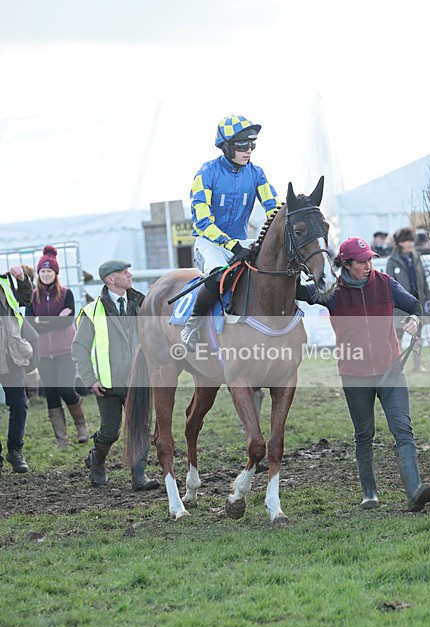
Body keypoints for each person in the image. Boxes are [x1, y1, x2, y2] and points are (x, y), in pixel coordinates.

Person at [298, 237, 430, 512]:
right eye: (362, 261)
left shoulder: (386, 283)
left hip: (391, 371)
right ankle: (370, 494)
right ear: (346, 264)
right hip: (355, 375)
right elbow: (296, 291)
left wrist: (414, 321)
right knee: (364, 434)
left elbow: (416, 306)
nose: (368, 265)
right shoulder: (331, 291)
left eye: (370, 259)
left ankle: (414, 492)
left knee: (403, 431)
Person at [181, 114, 281, 350]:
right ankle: (192, 326)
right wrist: (232, 246)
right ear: (226, 146)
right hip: (210, 243)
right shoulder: (205, 173)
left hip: (241, 242)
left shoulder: (257, 173)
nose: (249, 151)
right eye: (242, 146)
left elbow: (272, 208)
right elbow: (202, 222)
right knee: (217, 277)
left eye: (252, 145)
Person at [71, 260, 160, 491]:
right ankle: (96, 461)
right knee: (110, 432)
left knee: (139, 428)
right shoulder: (92, 312)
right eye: (123, 272)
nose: (129, 274)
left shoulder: (144, 304)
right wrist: (90, 379)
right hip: (107, 384)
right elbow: (79, 349)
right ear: (110, 279)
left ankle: (139, 477)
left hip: (139, 380)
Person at [25, 245, 89, 448]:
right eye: (42, 271)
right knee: (51, 394)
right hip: (43, 353)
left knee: (66, 389)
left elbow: (66, 322)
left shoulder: (66, 294)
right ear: (38, 273)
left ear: (55, 273)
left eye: (49, 271)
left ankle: (82, 426)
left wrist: (42, 321)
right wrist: (54, 319)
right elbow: (29, 322)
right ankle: (61, 438)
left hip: (64, 351)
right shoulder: (32, 297)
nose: (45, 274)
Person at [0, 265, 33, 473]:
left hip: (11, 354)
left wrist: (22, 279)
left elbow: (26, 299)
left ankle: (15, 450)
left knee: (19, 404)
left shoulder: (5, 282)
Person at [386, 227, 430, 371]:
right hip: (399, 306)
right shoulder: (392, 261)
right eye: (406, 240)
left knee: (417, 336)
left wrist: (427, 298)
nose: (410, 243)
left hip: (416, 303)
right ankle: (398, 366)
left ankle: (418, 365)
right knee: (397, 338)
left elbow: (423, 279)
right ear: (399, 243)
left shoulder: (416, 256)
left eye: (411, 240)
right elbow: (389, 285)